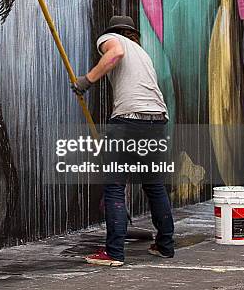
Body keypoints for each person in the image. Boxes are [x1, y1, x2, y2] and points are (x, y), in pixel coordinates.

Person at [71, 15, 175, 266]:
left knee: (115, 186)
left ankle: (114, 253)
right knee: (154, 186)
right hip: (157, 120)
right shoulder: (142, 53)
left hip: (129, 121)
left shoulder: (111, 39)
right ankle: (165, 246)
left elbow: (114, 53)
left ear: (114, 31)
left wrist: (87, 80)